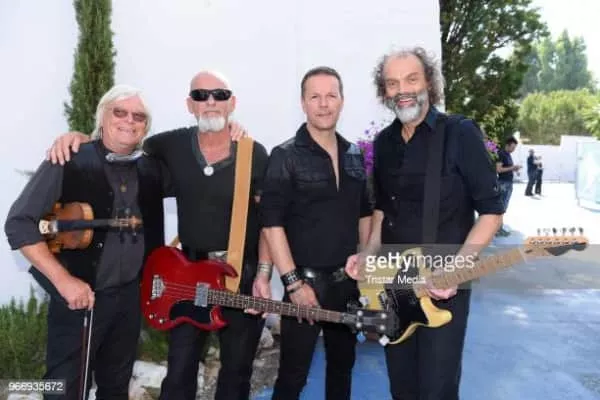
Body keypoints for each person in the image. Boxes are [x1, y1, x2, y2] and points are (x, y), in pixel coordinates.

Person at [45, 71, 273, 400]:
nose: (210, 102)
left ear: (232, 103)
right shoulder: (170, 145)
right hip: (188, 275)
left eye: (220, 95)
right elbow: (123, 143)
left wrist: (263, 273)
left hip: (241, 273)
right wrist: (80, 138)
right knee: (179, 372)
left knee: (237, 373)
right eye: (201, 95)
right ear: (190, 105)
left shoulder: (254, 154)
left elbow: (269, 222)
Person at [345, 47, 504, 400]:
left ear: (429, 83)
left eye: (411, 79)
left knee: (437, 389)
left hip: (442, 285)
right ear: (384, 92)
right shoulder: (384, 143)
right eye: (392, 83)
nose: (402, 90)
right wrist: (368, 253)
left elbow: (491, 213)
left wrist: (457, 270)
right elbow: (382, 211)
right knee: (401, 387)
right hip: (392, 283)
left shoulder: (460, 133)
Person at [5, 84, 169, 399]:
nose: (129, 120)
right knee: (63, 389)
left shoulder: (151, 169)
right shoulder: (70, 158)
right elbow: (19, 223)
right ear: (102, 117)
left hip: (128, 301)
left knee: (116, 387)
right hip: (79, 299)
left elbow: (201, 170)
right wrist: (63, 280)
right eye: (119, 112)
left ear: (145, 127)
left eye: (138, 116)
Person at [260, 66, 373, 400]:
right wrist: (293, 285)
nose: (324, 104)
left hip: (347, 286)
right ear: (303, 103)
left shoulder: (355, 154)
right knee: (292, 377)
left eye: (331, 96)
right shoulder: (285, 155)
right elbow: (272, 225)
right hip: (303, 287)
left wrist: (366, 259)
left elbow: (365, 213)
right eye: (315, 97)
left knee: (342, 369)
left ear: (342, 101)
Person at [495, 136, 521, 235]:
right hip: (503, 184)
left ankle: (499, 228)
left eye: (515, 148)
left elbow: (508, 168)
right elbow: (498, 169)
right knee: (501, 207)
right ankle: (497, 229)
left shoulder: (508, 155)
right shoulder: (501, 154)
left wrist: (515, 169)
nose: (514, 150)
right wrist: (512, 168)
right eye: (513, 147)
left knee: (503, 207)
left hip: (508, 184)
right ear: (507, 145)